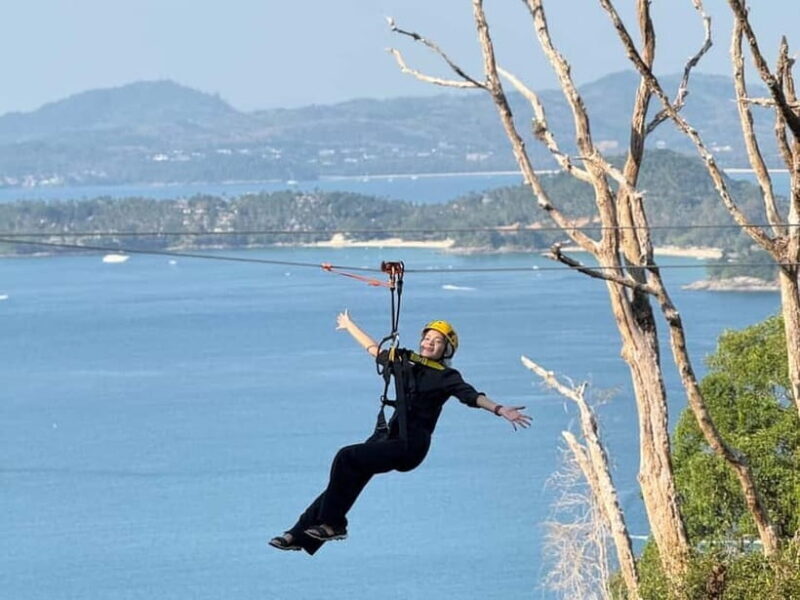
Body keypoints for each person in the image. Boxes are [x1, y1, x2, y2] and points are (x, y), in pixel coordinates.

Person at [269, 311, 531, 554]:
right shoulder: (406, 361)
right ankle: (297, 536)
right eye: (427, 338)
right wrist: (350, 326)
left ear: (446, 349)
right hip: (388, 438)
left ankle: (334, 525)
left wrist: (499, 409)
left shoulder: (447, 376)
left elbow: (472, 397)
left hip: (411, 445)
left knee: (345, 458)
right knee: (344, 480)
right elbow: (375, 351)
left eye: (437, 341)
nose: (429, 343)